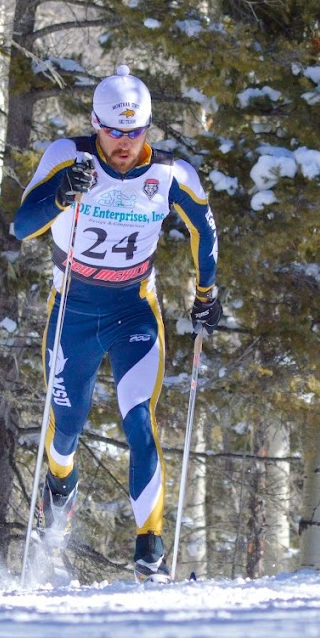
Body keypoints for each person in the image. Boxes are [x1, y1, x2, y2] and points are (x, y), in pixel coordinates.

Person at [13, 64, 222, 579]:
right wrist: (63, 191)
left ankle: (150, 551)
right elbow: (21, 226)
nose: (124, 144)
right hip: (73, 310)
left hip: (134, 307)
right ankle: (58, 501)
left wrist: (206, 295)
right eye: (113, 131)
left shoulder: (170, 174)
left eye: (134, 132)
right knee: (66, 430)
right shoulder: (69, 156)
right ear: (95, 124)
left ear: (147, 128)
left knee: (139, 423)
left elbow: (204, 230)